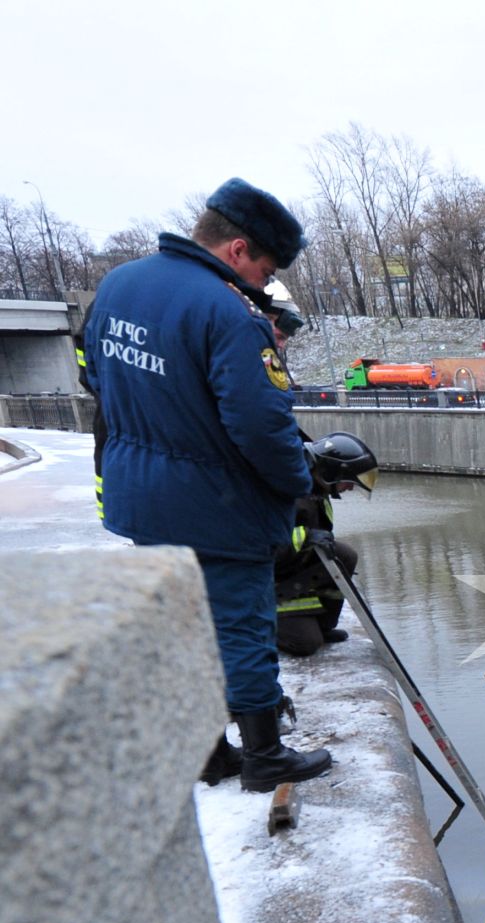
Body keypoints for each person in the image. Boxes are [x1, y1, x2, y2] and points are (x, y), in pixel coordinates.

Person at [84, 177, 330, 793]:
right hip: (215, 507)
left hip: (140, 494)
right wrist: (299, 480)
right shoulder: (228, 311)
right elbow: (261, 425)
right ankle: (266, 756)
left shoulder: (119, 285)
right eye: (265, 268)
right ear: (239, 249)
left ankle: (207, 752)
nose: (262, 285)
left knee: (182, 625)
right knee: (242, 626)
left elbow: (94, 379)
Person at [276, 433, 377, 657]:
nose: (350, 488)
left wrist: (312, 538)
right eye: (348, 481)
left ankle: (323, 624)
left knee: (344, 555)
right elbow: (268, 543)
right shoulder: (288, 488)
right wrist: (309, 537)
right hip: (264, 580)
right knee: (305, 644)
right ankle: (261, 624)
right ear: (331, 471)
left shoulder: (316, 489)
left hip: (288, 567)